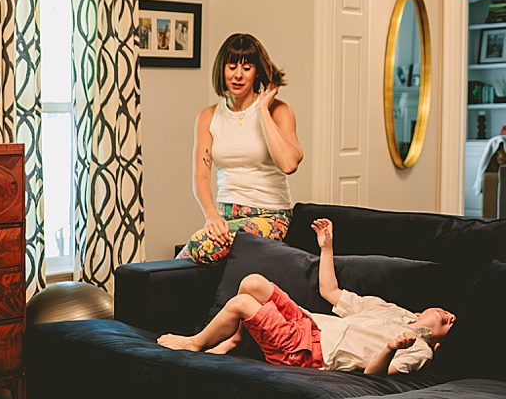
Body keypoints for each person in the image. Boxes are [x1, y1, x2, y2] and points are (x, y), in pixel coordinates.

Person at [158, 219, 455, 375]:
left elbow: (376, 373)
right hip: (309, 323)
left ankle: (194, 343)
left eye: (452, 324)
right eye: (449, 312)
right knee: (252, 283)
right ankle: (236, 338)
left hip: (310, 352)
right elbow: (331, 293)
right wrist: (327, 247)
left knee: (242, 303)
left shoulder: (420, 351)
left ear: (440, 342)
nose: (450, 316)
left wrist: (391, 347)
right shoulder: (393, 310)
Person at [178, 33, 303, 264]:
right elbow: (201, 176)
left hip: (270, 216)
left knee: (198, 247)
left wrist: (263, 111)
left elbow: (289, 164)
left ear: (257, 72)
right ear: (222, 70)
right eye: (232, 66)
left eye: (246, 67)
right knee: (173, 267)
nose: (237, 75)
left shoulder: (278, 111)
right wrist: (212, 217)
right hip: (226, 218)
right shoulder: (209, 116)